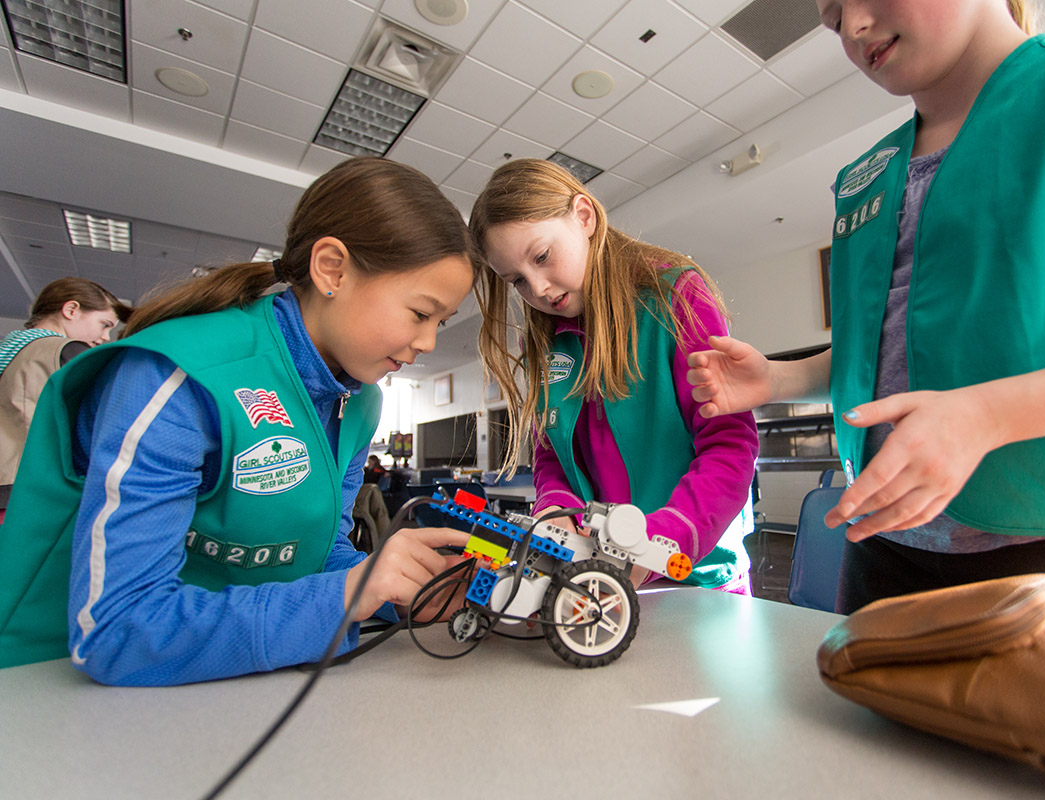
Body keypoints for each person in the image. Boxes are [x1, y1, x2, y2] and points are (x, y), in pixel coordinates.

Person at [687, 0, 1045, 612]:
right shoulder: (867, 176)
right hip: (886, 547)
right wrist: (780, 377)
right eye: (831, 17)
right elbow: (885, 339)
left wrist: (989, 415)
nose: (852, 28)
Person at [0, 157, 478, 683]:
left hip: (231, 687)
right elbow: (118, 629)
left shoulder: (358, 400)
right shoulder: (175, 377)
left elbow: (319, 554)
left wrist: (399, 587)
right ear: (332, 269)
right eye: (420, 313)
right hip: (56, 693)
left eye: (442, 322)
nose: (428, 342)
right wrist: (348, 594)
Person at [470, 159, 759, 593]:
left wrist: (659, 543)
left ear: (584, 217)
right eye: (518, 281)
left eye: (543, 257)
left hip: (694, 577)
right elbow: (550, 455)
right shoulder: (546, 342)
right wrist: (558, 511)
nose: (539, 290)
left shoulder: (675, 297)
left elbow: (729, 446)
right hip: (599, 577)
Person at [0, 278, 131, 519]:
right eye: (104, 324)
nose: (105, 337)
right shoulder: (68, 351)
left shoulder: (11, 345)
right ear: (71, 310)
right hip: (26, 488)